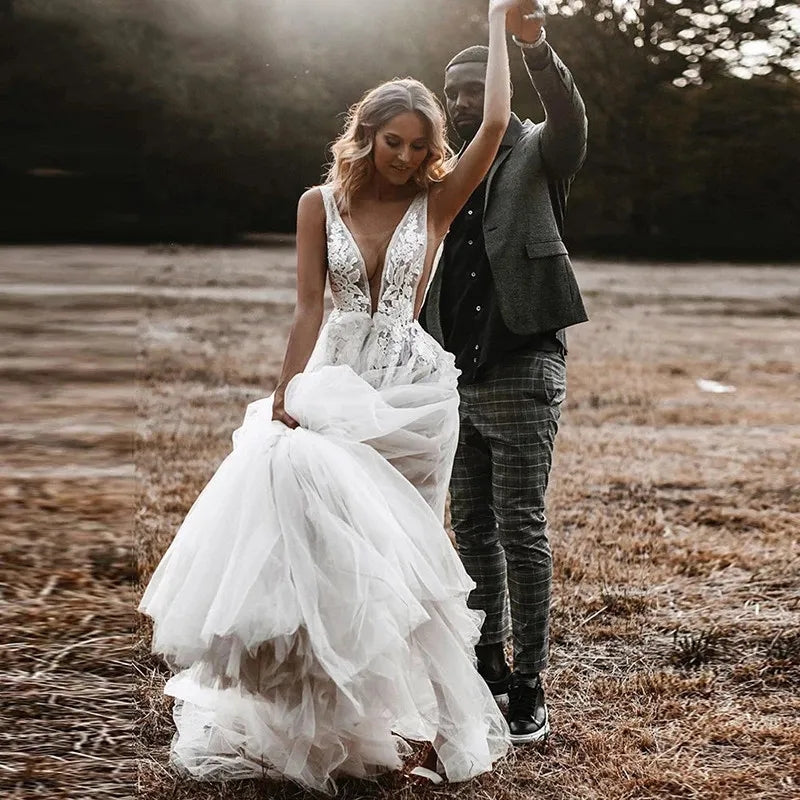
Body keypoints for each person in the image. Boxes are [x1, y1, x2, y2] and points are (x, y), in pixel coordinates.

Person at [139, 1, 522, 791]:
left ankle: (413, 725)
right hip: (336, 387)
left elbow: (495, 122)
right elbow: (309, 307)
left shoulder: (436, 201)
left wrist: (494, 20)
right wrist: (286, 394)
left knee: (404, 568)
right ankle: (333, 726)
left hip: (411, 397)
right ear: (367, 134)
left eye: (419, 146)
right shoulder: (320, 204)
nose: (406, 156)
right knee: (327, 555)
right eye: (394, 142)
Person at [422, 1, 589, 745]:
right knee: (472, 529)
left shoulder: (541, 150)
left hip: (522, 364)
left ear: (498, 91)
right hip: (451, 377)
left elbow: (569, 114)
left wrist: (533, 47)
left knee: (521, 528)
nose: (462, 103)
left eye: (473, 90)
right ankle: (484, 667)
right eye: (451, 93)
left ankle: (529, 685)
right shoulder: (440, 175)